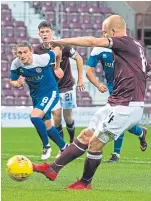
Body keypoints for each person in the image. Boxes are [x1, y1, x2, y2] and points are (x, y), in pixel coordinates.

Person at [33, 15, 150, 190]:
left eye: (105, 32)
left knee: (95, 142)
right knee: (86, 136)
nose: (103, 35)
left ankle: (85, 183)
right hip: (116, 102)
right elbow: (147, 71)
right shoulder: (136, 47)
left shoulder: (123, 42)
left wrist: (60, 41)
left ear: (112, 31)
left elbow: (90, 41)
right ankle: (53, 169)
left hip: (127, 106)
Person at [33, 21, 85, 157]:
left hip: (67, 87)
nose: (45, 34)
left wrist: (80, 79)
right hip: (52, 90)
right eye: (42, 32)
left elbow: (79, 59)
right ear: (39, 34)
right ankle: (63, 149)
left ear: (51, 32)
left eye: (47, 31)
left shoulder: (62, 46)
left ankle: (72, 141)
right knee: (57, 117)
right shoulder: (37, 50)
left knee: (68, 119)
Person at [87, 46, 147, 162]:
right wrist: (98, 84)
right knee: (120, 119)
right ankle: (140, 132)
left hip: (127, 87)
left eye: (107, 31)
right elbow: (89, 70)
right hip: (112, 87)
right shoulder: (99, 49)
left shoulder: (126, 46)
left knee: (119, 119)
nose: (105, 34)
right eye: (103, 31)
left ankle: (116, 154)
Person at [10, 41, 68, 160]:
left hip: (50, 92)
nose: (22, 55)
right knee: (48, 126)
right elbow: (13, 81)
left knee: (35, 117)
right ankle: (64, 147)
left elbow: (58, 49)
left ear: (30, 52)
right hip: (36, 96)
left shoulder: (43, 59)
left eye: (25, 52)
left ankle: (46, 146)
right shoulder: (16, 64)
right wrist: (18, 83)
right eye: (19, 52)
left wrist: (57, 66)